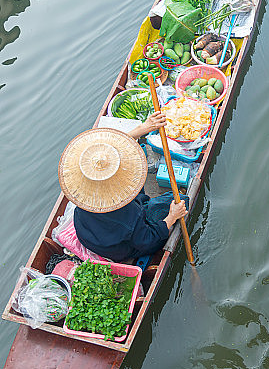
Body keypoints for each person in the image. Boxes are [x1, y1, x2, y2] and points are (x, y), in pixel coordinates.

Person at [58, 112, 188, 262]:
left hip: (88, 233)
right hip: (119, 248)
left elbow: (115, 149)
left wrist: (144, 127)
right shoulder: (128, 214)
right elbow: (147, 239)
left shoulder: (83, 190)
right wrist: (172, 217)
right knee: (181, 200)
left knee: (136, 154)